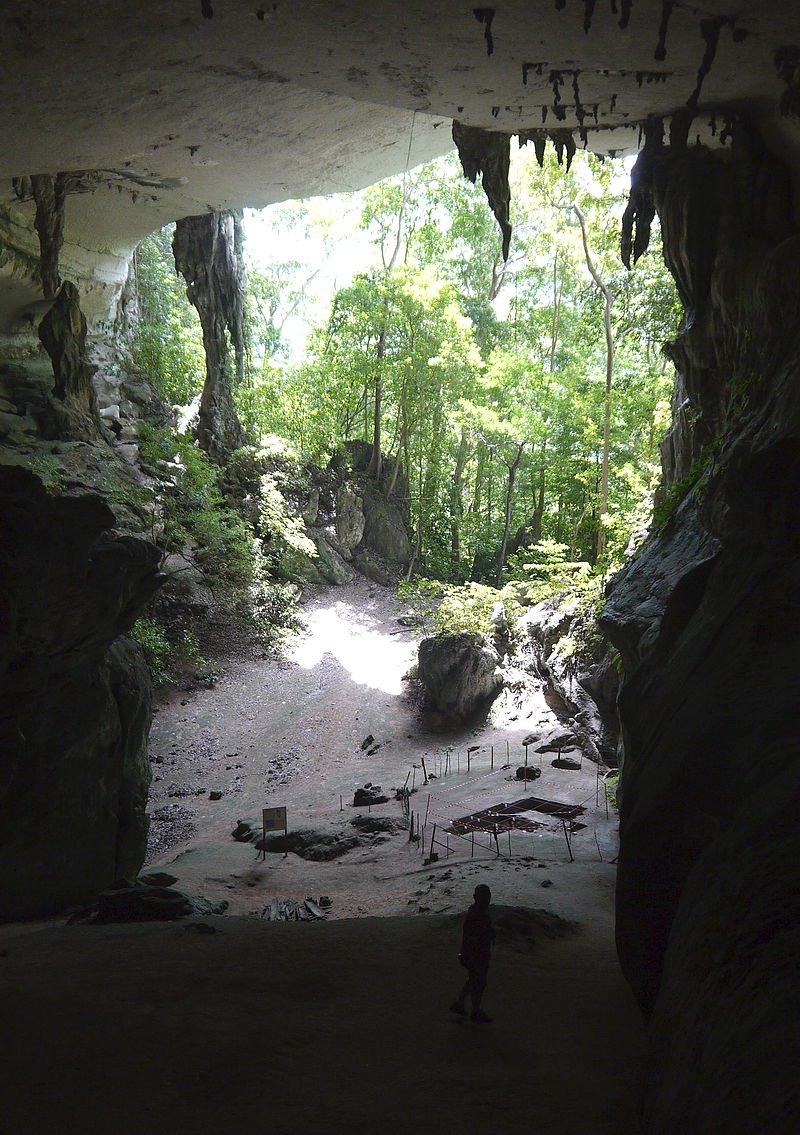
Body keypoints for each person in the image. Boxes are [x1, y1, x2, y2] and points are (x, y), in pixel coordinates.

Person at [450, 883, 495, 1023]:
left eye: (488, 895)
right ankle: (475, 1010)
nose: (488, 899)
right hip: (476, 954)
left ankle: (461, 1003)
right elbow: (473, 937)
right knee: (479, 981)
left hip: (475, 953)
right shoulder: (477, 914)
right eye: (485, 896)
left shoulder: (477, 912)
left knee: (474, 979)